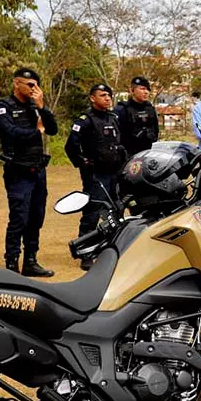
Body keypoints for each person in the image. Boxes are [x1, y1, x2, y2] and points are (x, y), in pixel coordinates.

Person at [0, 67, 58, 276]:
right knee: (19, 218)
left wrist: (42, 108)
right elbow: (10, 132)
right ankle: (12, 264)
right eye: (30, 85)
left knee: (36, 217)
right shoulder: (4, 106)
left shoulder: (35, 106)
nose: (34, 89)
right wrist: (36, 131)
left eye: (37, 85)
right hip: (18, 171)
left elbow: (53, 129)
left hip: (37, 170)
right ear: (16, 83)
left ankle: (30, 261)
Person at [64, 83, 125, 270]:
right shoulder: (85, 120)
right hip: (96, 175)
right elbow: (71, 147)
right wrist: (84, 164)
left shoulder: (113, 118)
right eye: (103, 95)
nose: (107, 98)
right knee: (92, 212)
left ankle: (112, 248)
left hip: (115, 172)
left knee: (117, 210)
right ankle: (86, 253)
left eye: (109, 95)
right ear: (92, 98)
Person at [115, 75, 160, 157]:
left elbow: (155, 131)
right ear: (132, 90)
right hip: (128, 154)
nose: (146, 92)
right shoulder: (122, 109)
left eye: (147, 89)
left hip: (147, 153)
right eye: (142, 89)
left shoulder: (150, 109)